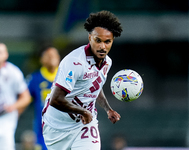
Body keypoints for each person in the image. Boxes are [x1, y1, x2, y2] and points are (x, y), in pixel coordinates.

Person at [42, 10, 123, 150]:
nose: (102, 46)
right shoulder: (74, 62)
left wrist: (108, 109)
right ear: (90, 37)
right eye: (98, 40)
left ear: (112, 41)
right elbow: (56, 99)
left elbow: (94, 87)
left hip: (84, 125)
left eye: (107, 42)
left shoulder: (107, 63)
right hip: (56, 127)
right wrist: (83, 111)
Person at [27, 45, 60, 150]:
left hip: (64, 126)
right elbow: (24, 98)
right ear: (41, 60)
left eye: (54, 55)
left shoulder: (67, 76)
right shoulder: (34, 79)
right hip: (43, 130)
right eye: (48, 55)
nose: (52, 58)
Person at [0, 43, 31, 150]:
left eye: (1, 52)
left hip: (5, 116)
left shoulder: (13, 72)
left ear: (6, 55)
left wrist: (13, 107)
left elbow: (26, 97)